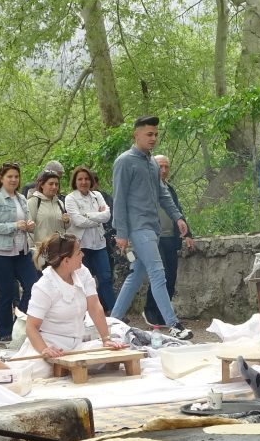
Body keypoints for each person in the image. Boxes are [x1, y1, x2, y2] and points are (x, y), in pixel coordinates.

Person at [108, 116, 193, 340]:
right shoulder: (124, 161)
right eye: (149, 134)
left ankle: (113, 321)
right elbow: (119, 199)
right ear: (136, 135)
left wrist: (178, 217)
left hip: (152, 227)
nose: (153, 138)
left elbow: (163, 193)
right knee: (157, 272)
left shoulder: (153, 162)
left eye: (156, 134)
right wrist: (122, 233)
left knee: (136, 276)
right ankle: (174, 323)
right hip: (137, 228)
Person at [11, 233, 127, 379]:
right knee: (33, 372)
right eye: (78, 253)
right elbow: (31, 327)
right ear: (66, 261)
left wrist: (106, 338)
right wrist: (45, 350)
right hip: (50, 344)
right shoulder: (44, 286)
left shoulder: (82, 272)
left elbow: (94, 306)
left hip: (77, 345)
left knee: (113, 356)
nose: (83, 255)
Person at [0, 162, 40, 344]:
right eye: (10, 176)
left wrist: (30, 225)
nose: (14, 180)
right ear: (1, 178)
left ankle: (19, 325)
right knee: (6, 293)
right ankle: (4, 334)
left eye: (16, 176)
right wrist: (14, 226)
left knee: (34, 287)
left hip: (21, 250)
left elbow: (28, 221)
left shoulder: (22, 199)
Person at [143, 154, 195, 327]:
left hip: (170, 238)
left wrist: (188, 234)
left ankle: (164, 313)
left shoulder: (169, 189)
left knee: (171, 276)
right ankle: (150, 310)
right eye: (160, 167)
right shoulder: (146, 187)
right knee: (160, 275)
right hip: (153, 238)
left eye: (166, 167)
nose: (164, 171)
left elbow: (177, 211)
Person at [65, 165, 115, 313]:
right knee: (81, 281)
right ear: (75, 181)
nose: (84, 182)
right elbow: (78, 221)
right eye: (80, 179)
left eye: (86, 179)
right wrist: (96, 216)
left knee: (105, 277)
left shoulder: (97, 196)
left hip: (99, 244)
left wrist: (86, 214)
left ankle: (115, 311)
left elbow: (107, 216)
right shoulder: (70, 198)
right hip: (81, 246)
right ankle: (83, 313)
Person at [28, 170, 70, 246]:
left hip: (59, 248)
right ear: (42, 185)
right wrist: (32, 249)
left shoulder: (59, 203)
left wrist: (67, 221)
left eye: (56, 184)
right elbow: (29, 229)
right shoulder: (33, 202)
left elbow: (64, 227)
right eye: (50, 184)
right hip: (42, 249)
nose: (54, 187)